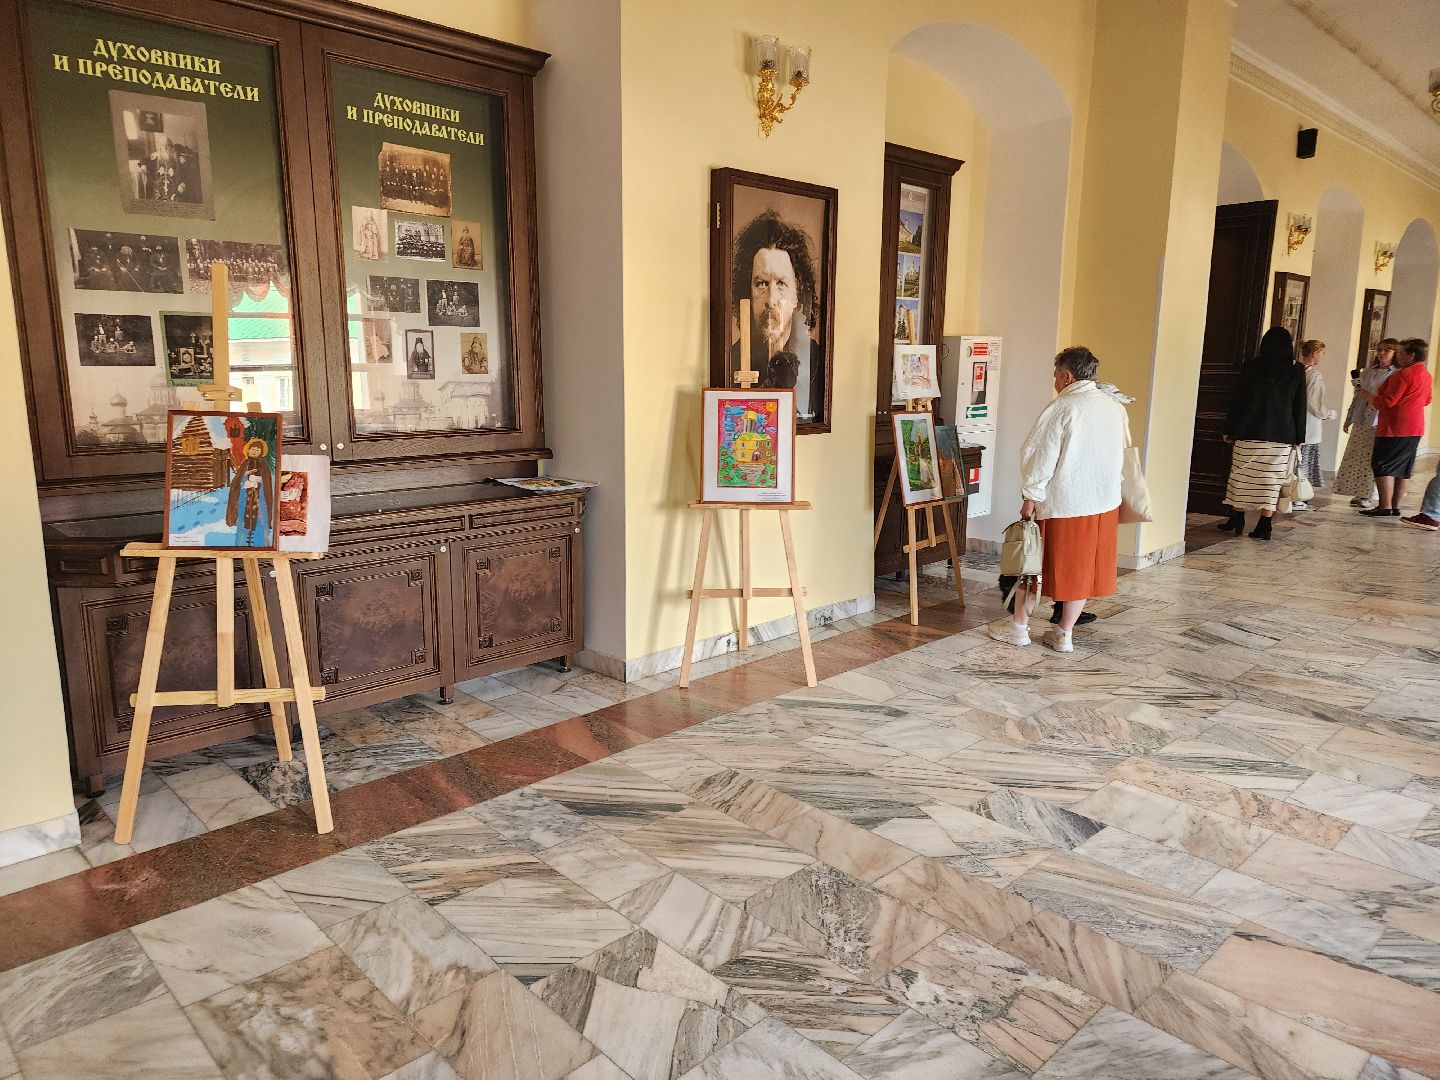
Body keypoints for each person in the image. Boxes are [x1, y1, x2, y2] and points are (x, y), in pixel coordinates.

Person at [990, 346, 1127, 653]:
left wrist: (1030, 496)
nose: (1054, 380)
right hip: (1104, 502)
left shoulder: (1064, 407)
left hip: (1065, 503)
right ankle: (1064, 634)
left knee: (1032, 563)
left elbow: (1040, 455)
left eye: (1055, 374)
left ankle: (1019, 630)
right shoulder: (1113, 405)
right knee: (1082, 570)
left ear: (1066, 376)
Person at [730, 210, 825, 422]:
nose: (771, 299)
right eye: (761, 284)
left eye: (781, 284)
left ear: (797, 295)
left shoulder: (817, 360)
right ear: (748, 292)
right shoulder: (731, 362)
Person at [1216, 326, 1306, 541]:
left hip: (1249, 430)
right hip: (1281, 434)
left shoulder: (1253, 366)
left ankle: (1237, 517)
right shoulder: (1296, 369)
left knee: (1241, 475)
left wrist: (1229, 429)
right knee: (1271, 481)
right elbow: (1300, 405)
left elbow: (1238, 400)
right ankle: (1264, 524)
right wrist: (1299, 438)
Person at [1359, 337, 1432, 518]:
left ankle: (1384, 506)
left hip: (1395, 427)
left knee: (1382, 465)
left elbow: (1388, 401)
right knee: (1403, 468)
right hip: (1415, 426)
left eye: (1400, 353)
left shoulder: (1402, 375)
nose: (1397, 357)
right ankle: (1395, 506)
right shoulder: (1425, 374)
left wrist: (1367, 395)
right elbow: (1428, 400)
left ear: (1411, 355)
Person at [1335, 338, 1398, 508]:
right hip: (1361, 415)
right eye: (1379, 349)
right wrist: (1349, 418)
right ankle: (1359, 491)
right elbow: (1358, 395)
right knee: (1358, 455)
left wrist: (1369, 396)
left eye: (1387, 350)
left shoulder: (1395, 373)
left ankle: (1369, 494)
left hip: (1378, 418)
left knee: (1372, 456)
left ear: (1395, 353)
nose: (1382, 353)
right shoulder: (1369, 371)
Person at [1293, 339, 1336, 509]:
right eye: (1322, 353)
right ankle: (1299, 495)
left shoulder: (1295, 371)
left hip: (1294, 421)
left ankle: (1294, 493)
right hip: (1309, 425)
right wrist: (1328, 414)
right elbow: (1314, 402)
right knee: (1304, 462)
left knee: (1296, 460)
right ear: (1315, 353)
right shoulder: (1314, 375)